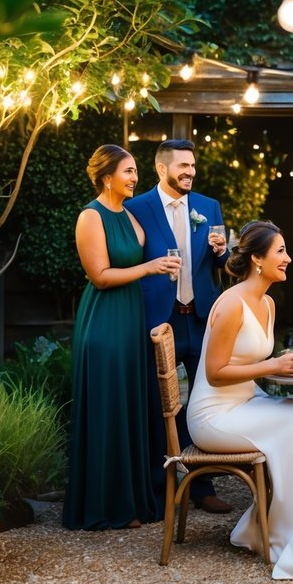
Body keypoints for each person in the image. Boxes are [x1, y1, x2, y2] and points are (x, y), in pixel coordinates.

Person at [186, 221, 293, 580]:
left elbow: (254, 364)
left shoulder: (267, 304)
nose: (288, 258)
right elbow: (215, 373)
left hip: (247, 402)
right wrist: (273, 364)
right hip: (215, 415)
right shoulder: (232, 304)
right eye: (281, 251)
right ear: (258, 259)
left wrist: (284, 366)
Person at [64, 145, 181, 530]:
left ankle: (130, 502)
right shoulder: (90, 217)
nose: (134, 178)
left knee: (128, 408)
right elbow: (100, 275)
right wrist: (149, 267)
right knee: (107, 409)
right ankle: (102, 505)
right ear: (107, 176)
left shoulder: (130, 216)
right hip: (104, 324)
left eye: (134, 171)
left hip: (132, 321)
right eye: (128, 171)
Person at [125, 139, 232, 514]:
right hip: (159, 320)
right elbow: (128, 258)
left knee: (204, 400)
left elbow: (225, 261)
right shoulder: (136, 208)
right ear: (161, 168)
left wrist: (222, 252)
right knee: (159, 403)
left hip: (201, 319)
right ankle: (161, 488)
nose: (189, 172)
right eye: (182, 166)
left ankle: (203, 485)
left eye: (192, 166)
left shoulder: (207, 206)